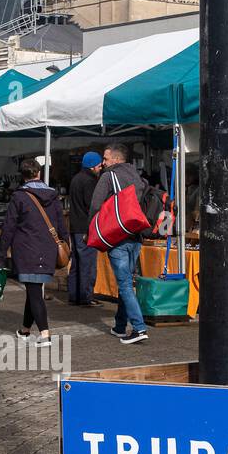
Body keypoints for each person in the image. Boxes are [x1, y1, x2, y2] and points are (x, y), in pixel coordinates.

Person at [0, 158, 67, 349]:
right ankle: (25, 330)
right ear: (39, 173)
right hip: (48, 249)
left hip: (26, 250)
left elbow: (8, 227)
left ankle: (45, 334)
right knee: (34, 289)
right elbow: (61, 224)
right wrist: (66, 244)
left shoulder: (19, 197)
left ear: (23, 176)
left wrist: (0, 254)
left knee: (34, 291)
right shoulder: (53, 197)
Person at [89, 143, 149, 344]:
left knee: (123, 284)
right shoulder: (136, 177)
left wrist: (93, 230)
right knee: (126, 283)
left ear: (115, 159)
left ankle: (139, 328)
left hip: (118, 237)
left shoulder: (108, 177)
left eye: (105, 159)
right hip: (136, 237)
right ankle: (120, 326)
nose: (103, 162)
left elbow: (95, 206)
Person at [67, 151, 103, 307]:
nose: (101, 168)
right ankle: (86, 297)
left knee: (76, 263)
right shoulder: (89, 181)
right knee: (87, 263)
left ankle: (74, 295)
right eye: (99, 165)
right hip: (85, 228)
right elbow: (91, 205)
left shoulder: (76, 178)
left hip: (75, 226)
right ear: (93, 165)